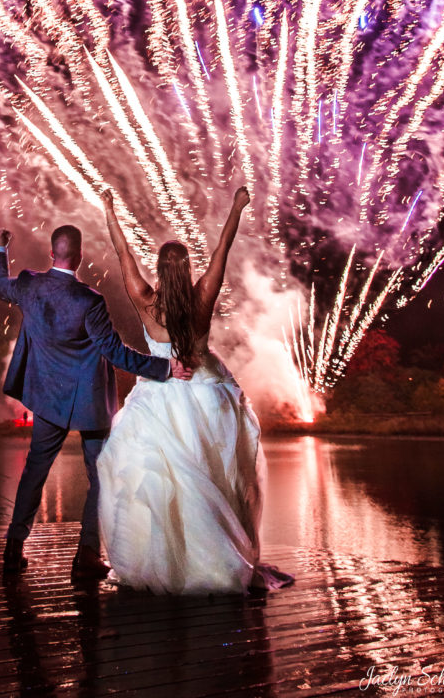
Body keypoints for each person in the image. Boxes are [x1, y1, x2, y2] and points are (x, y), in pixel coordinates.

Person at [97, 187, 294, 594]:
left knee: (163, 486)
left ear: (158, 268)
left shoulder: (146, 302)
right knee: (214, 478)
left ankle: (168, 564)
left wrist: (110, 211)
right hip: (206, 396)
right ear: (187, 268)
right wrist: (237, 207)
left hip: (158, 399)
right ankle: (219, 560)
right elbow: (223, 249)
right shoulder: (203, 297)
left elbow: (123, 254)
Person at [0, 224, 192, 577]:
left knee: (34, 471)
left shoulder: (28, 284)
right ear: (80, 257)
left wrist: (0, 248)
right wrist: (165, 367)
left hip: (47, 399)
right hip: (89, 402)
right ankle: (86, 554)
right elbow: (116, 353)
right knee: (101, 475)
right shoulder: (90, 300)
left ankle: (13, 547)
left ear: (52, 253)